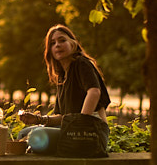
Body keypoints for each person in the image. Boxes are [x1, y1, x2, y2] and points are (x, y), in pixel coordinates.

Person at [18, 24, 110, 155]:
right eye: (52, 43)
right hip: (71, 131)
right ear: (49, 50)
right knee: (24, 133)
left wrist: (80, 124)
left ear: (73, 43)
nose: (57, 45)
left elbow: (94, 92)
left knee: (36, 136)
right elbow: (63, 118)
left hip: (91, 133)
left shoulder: (81, 63)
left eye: (62, 40)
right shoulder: (62, 77)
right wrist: (38, 119)